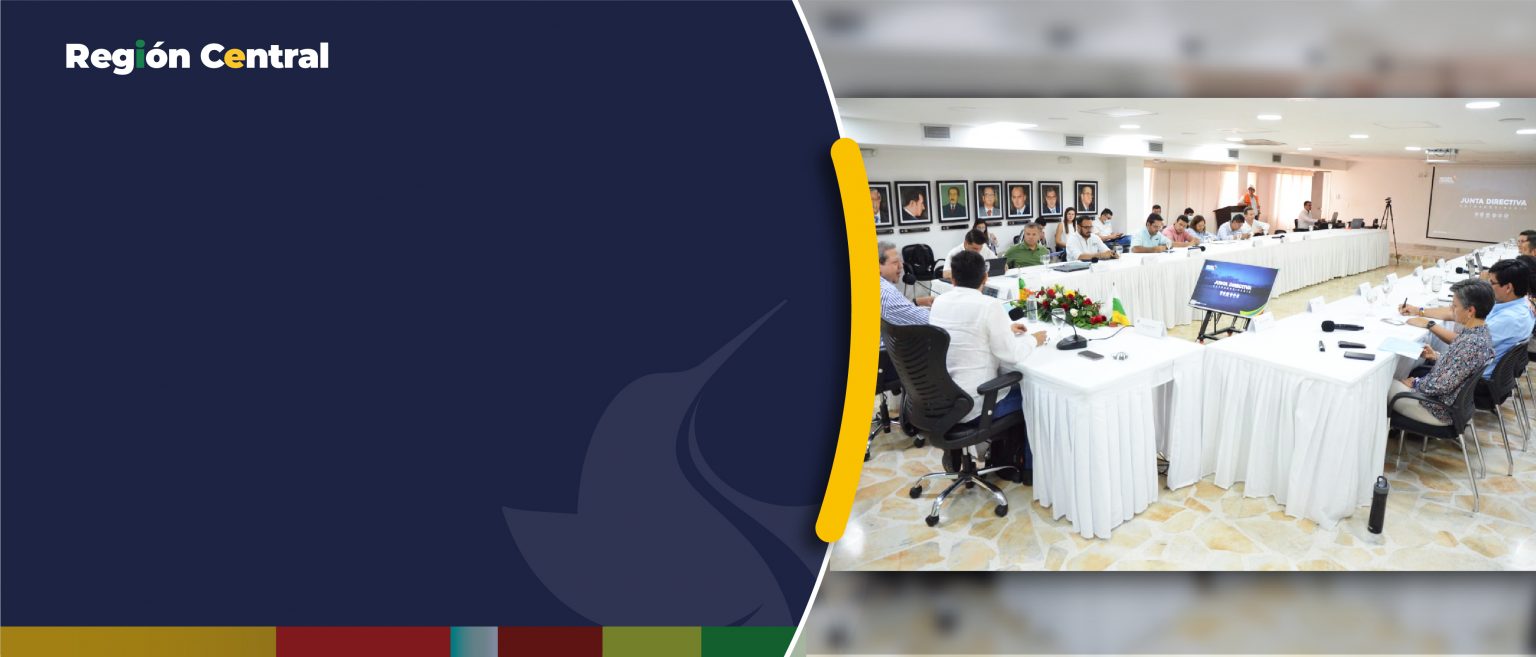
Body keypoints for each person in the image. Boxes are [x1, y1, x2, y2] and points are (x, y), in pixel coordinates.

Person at [928, 250, 1046, 424]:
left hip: (943, 399)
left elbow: (966, 330)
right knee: (1036, 397)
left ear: (952, 279)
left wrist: (1005, 329)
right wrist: (1034, 339)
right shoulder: (989, 305)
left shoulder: (939, 301)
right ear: (985, 277)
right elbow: (1012, 354)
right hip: (977, 402)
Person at [1402, 259, 1533, 380]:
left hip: (1474, 380)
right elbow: (1455, 313)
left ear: (1508, 287)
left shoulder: (1510, 319)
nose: (1488, 285)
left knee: (1410, 374)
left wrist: (1430, 324)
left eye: (1492, 283)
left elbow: (1464, 342)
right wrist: (1419, 311)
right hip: (1473, 369)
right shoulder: (1515, 305)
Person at [1388, 279, 1495, 426]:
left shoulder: (1471, 343)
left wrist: (1415, 382)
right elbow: (1461, 367)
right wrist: (1437, 356)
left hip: (1438, 409)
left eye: (1454, 306)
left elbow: (1442, 385)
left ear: (1470, 311)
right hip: (1451, 404)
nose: (1451, 309)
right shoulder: (1480, 332)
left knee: (1384, 386)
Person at [878, 241, 932, 326]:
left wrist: (916, 302)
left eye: (900, 261)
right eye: (895, 262)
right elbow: (929, 320)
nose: (901, 266)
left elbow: (896, 309)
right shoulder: (888, 293)